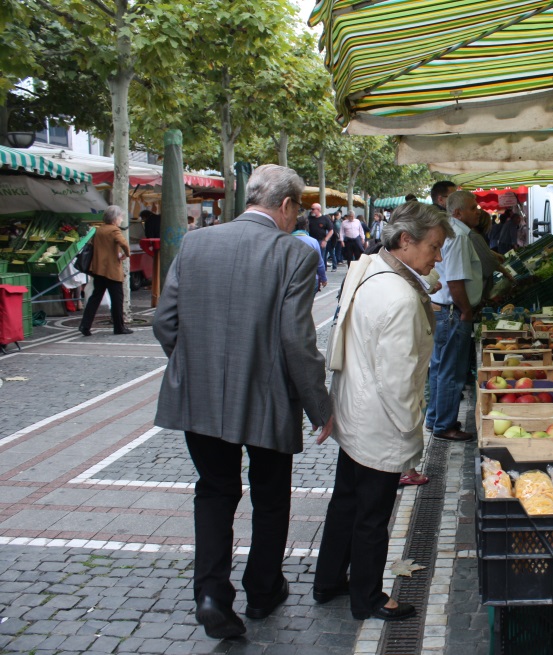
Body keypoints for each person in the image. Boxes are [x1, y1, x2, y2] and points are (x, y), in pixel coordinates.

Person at [153, 164, 332, 640]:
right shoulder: (294, 253)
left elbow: (165, 322)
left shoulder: (196, 243)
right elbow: (297, 340)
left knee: (214, 491)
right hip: (266, 397)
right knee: (270, 497)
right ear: (287, 205)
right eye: (298, 209)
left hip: (201, 397)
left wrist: (194, 368)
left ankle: (212, 595)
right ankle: (263, 589)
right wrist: (320, 406)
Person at [314, 201, 453, 621]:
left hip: (354, 408)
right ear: (405, 240)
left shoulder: (372, 266)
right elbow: (398, 382)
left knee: (346, 501)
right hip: (379, 420)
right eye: (434, 246)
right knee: (372, 514)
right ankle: (368, 598)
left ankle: (328, 580)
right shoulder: (401, 298)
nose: (438, 257)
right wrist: (413, 436)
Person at [424, 190, 483, 441]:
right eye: (473, 208)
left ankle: (434, 419)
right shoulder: (458, 236)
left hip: (441, 309)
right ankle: (445, 425)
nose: (478, 212)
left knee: (439, 369)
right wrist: (467, 310)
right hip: (452, 312)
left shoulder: (452, 232)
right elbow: (456, 281)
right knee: (451, 372)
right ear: (457, 213)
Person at [78, 205, 132, 336]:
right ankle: (119, 327)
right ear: (115, 218)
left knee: (95, 298)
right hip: (112, 270)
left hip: (98, 269)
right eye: (120, 217)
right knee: (117, 299)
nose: (121, 220)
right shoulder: (114, 230)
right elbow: (124, 243)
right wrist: (127, 254)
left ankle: (85, 325)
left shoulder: (99, 230)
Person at [293, 214, 328, 291]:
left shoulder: (285, 240)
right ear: (306, 226)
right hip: (311, 279)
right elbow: (319, 263)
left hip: (291, 280)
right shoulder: (313, 242)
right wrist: (323, 278)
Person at [307, 203, 332, 272]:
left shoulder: (325, 219)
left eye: (313, 209)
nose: (311, 211)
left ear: (318, 209)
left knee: (321, 257)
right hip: (311, 241)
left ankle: (321, 272)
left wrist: (325, 240)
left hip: (320, 241)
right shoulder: (309, 218)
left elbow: (331, 231)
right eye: (311, 209)